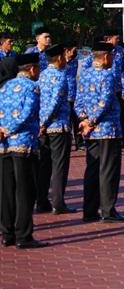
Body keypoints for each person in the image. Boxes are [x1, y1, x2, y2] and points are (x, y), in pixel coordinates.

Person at [75, 42, 124, 223]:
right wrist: (91, 121)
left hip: (90, 131)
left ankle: (89, 211)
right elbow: (105, 102)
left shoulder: (85, 74)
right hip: (107, 129)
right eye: (112, 56)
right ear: (105, 56)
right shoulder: (107, 75)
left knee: (92, 169)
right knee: (108, 171)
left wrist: (83, 120)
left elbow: (79, 101)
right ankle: (107, 210)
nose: (113, 59)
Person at [0, 54, 48, 248]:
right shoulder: (32, 87)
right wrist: (8, 129)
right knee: (25, 190)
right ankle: (23, 235)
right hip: (23, 144)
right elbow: (26, 113)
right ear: (32, 69)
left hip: (4, 145)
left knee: (6, 190)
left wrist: (2, 130)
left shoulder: (5, 87)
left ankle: (7, 233)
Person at [37, 44, 74, 215]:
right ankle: (58, 202)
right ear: (59, 58)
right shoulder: (60, 76)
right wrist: (45, 122)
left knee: (44, 165)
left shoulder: (42, 75)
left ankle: (42, 200)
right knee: (59, 165)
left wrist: (40, 123)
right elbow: (55, 102)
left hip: (43, 128)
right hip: (57, 126)